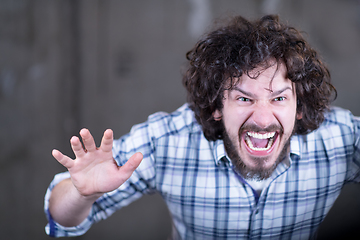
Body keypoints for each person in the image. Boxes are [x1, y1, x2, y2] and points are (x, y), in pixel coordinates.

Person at [44, 15, 360, 239]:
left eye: (278, 98)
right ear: (216, 107)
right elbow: (61, 218)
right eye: (244, 99)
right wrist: (81, 194)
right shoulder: (168, 140)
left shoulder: (341, 138)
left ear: (299, 106)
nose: (263, 119)